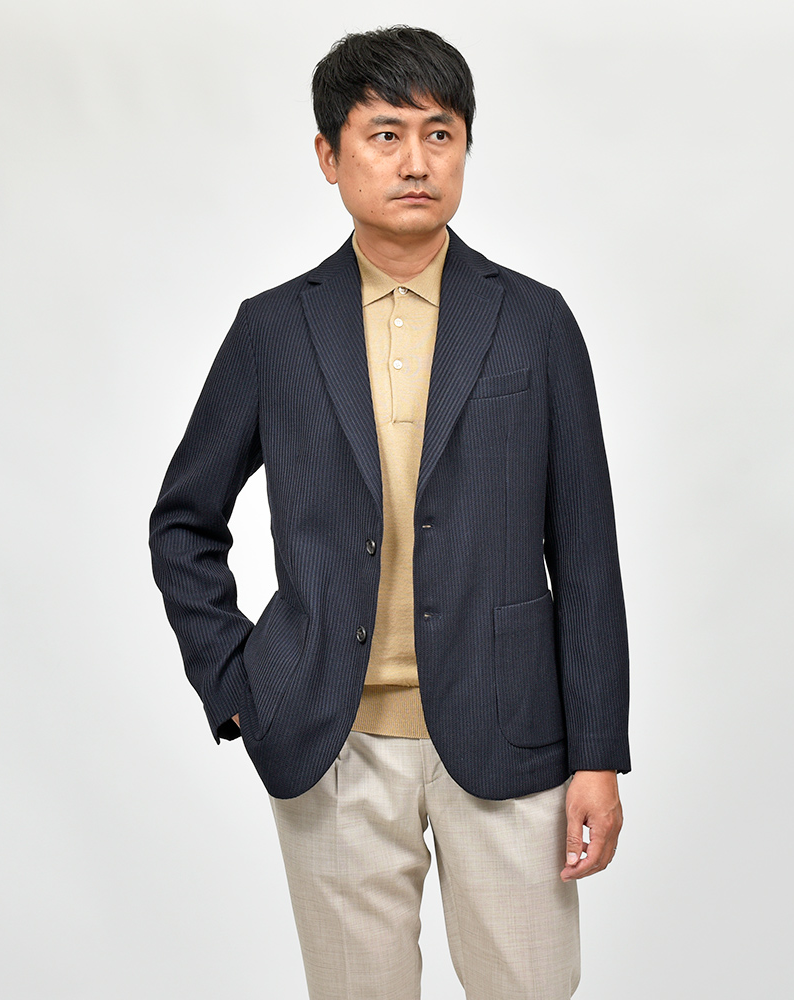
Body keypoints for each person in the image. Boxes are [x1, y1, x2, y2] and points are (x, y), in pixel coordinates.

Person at [149, 25, 629, 1000]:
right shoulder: (274, 330)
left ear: (464, 149)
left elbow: (585, 554)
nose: (416, 162)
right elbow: (183, 521)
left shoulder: (533, 322)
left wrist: (599, 756)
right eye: (385, 135)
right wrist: (236, 681)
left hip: (513, 734)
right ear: (329, 156)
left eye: (439, 134)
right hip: (332, 740)